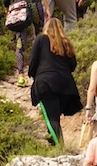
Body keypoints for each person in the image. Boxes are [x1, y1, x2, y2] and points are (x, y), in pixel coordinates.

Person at [28, 17, 83, 145]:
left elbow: (33, 63)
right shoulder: (66, 43)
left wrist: (33, 75)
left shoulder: (41, 39)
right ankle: (56, 144)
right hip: (65, 85)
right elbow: (73, 65)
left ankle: (58, 148)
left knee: (51, 118)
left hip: (46, 84)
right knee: (55, 118)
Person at [3, 0, 47, 86]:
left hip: (18, 9)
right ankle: (40, 71)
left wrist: (7, 10)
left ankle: (21, 75)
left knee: (20, 41)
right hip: (34, 5)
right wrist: (46, 7)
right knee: (40, 37)